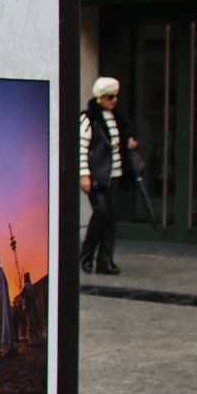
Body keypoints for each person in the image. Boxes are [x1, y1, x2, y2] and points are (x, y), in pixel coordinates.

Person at [80, 77, 136, 275]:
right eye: (109, 97)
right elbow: (82, 148)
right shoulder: (89, 119)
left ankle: (105, 260)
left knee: (110, 218)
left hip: (114, 175)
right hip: (98, 177)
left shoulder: (117, 119)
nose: (114, 100)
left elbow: (116, 144)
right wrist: (84, 175)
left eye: (115, 96)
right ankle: (86, 256)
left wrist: (126, 144)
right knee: (101, 212)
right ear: (99, 98)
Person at [0, 255, 15, 356]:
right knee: (1, 322)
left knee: (0, 321)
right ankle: (2, 347)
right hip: (0, 300)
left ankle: (2, 347)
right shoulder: (0, 272)